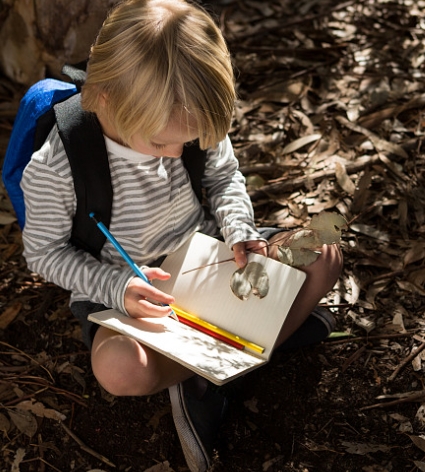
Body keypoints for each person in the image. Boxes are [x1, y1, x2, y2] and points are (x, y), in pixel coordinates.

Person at [19, 0, 343, 470]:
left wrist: (240, 232)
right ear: (107, 98)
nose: (175, 155)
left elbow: (224, 178)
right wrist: (118, 288)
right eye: (160, 143)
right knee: (118, 370)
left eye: (187, 143)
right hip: (129, 293)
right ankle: (249, 347)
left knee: (323, 257)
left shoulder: (185, 111)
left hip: (209, 259)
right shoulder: (57, 164)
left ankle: (212, 369)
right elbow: (44, 253)